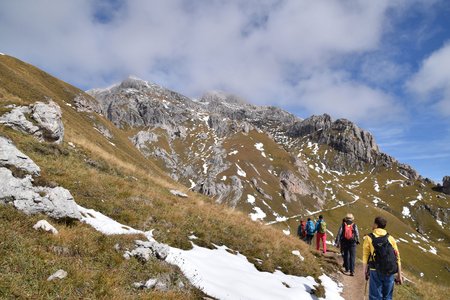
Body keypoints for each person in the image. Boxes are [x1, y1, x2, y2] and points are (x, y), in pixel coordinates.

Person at [363, 216, 403, 300]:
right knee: (387, 297)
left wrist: (365, 271)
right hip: (389, 271)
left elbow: (365, 256)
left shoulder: (369, 237)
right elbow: (397, 257)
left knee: (375, 296)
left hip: (375, 270)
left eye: (373, 223)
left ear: (376, 225)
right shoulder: (390, 238)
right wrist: (399, 275)